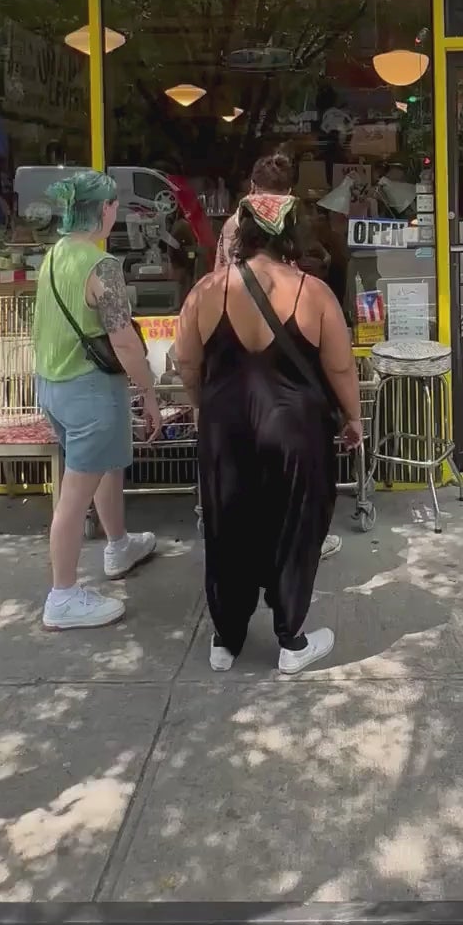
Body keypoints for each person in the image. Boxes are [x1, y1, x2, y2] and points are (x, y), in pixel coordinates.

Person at [173, 191, 363, 674]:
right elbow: (340, 368)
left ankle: (225, 638)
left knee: (226, 526)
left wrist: (202, 406)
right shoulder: (313, 292)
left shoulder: (207, 290)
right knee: (296, 526)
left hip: (226, 426)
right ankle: (291, 641)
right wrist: (355, 417)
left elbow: (186, 362)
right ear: (291, 234)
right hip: (297, 429)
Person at [33, 171, 163, 631]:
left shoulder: (52, 256)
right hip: (89, 392)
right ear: (105, 211)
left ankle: (119, 544)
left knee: (105, 464)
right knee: (73, 499)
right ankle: (63, 595)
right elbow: (124, 340)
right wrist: (149, 391)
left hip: (53, 385)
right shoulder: (101, 265)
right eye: (114, 206)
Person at [215, 152, 294, 269]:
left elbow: (220, 274)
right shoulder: (295, 221)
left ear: (252, 185)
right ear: (289, 191)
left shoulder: (234, 224)